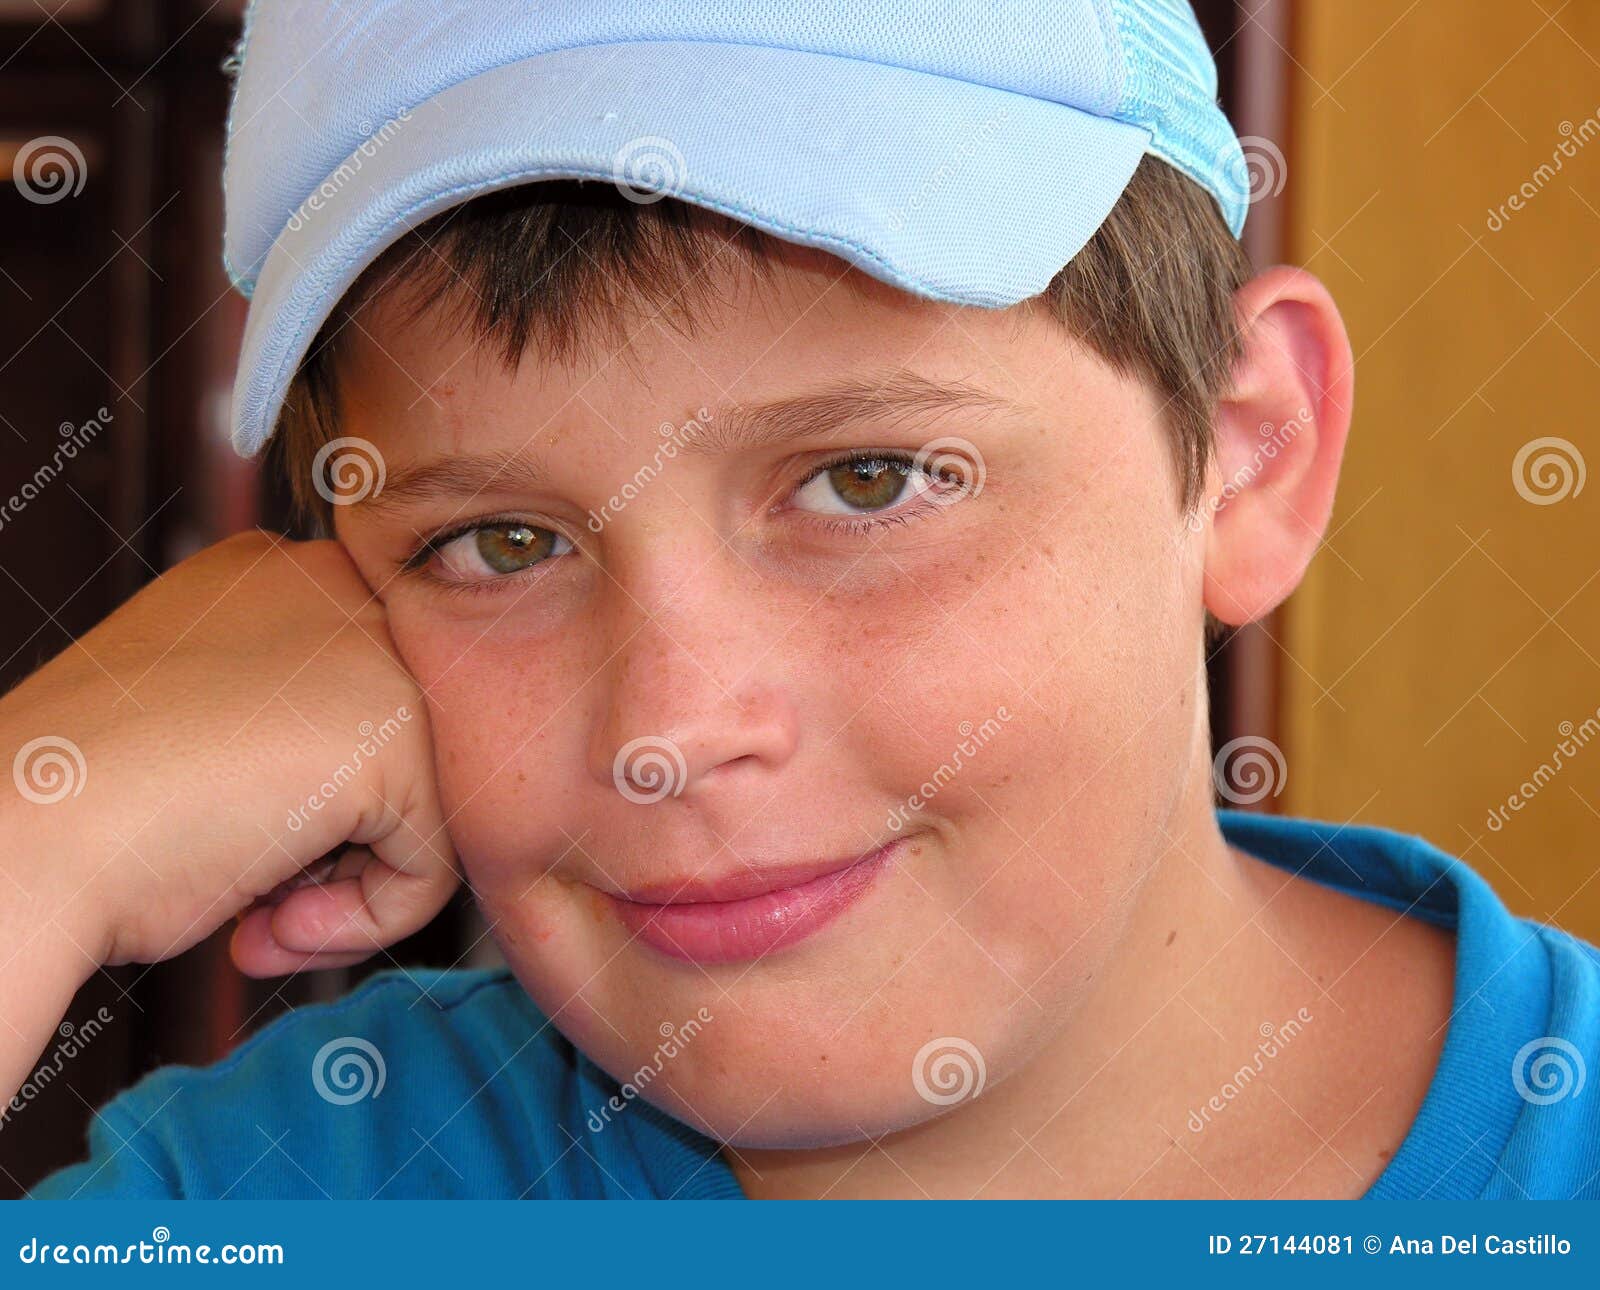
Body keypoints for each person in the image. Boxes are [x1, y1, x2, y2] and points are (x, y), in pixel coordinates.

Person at [9, 0, 1597, 1200]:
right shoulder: (296, 1181)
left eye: (868, 481)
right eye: (499, 542)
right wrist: (56, 814)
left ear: (1249, 456)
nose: (673, 730)